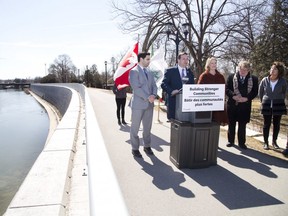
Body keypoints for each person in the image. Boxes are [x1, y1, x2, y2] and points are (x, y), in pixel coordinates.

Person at [129, 52, 157, 158]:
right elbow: (136, 88)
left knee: (147, 128)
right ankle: (135, 148)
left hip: (149, 105)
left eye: (149, 59)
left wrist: (154, 95)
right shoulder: (134, 71)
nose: (149, 61)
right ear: (141, 59)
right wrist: (148, 97)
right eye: (147, 59)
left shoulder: (149, 71)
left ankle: (147, 146)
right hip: (138, 105)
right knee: (135, 128)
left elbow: (154, 85)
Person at [226, 60, 258, 149]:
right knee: (231, 124)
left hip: (245, 106)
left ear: (248, 70)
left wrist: (247, 98)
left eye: (245, 69)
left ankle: (241, 143)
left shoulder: (254, 79)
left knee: (242, 125)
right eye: (241, 69)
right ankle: (230, 141)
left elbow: (255, 92)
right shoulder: (231, 77)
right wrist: (233, 96)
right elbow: (227, 89)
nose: (242, 71)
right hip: (233, 105)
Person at [258, 61, 287, 150]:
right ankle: (265, 142)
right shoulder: (265, 80)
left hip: (278, 104)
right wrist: (263, 101)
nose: (272, 70)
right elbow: (260, 92)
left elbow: (284, 92)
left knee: (276, 124)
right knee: (266, 124)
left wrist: (281, 99)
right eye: (272, 68)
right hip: (266, 104)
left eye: (275, 69)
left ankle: (274, 142)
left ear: (279, 71)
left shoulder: (283, 81)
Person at [161, 52, 194, 121]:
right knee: (174, 126)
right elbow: (164, 84)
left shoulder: (189, 72)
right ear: (178, 60)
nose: (186, 61)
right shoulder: (170, 71)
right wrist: (171, 91)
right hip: (174, 102)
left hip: (186, 103)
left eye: (187, 59)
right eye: (183, 59)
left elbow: (192, 86)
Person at [197, 57, 228, 125]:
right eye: (212, 63)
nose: (214, 65)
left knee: (216, 124)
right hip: (206, 104)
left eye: (215, 63)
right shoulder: (204, 76)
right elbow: (199, 90)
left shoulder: (220, 76)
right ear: (208, 64)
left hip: (217, 105)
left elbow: (224, 90)